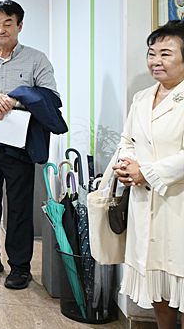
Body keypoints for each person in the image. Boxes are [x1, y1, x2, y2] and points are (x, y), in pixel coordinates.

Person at [0, 0, 60, 290]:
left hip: (19, 143)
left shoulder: (36, 59)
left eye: (7, 23)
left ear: (19, 26)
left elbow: (51, 97)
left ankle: (20, 267)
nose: (1, 29)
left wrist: (15, 100)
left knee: (18, 205)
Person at [107, 21, 184, 329]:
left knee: (180, 277)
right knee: (157, 282)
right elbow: (127, 140)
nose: (156, 61)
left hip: (177, 203)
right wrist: (126, 165)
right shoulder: (142, 97)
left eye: (166, 53)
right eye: (152, 53)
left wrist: (147, 172)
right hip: (144, 202)